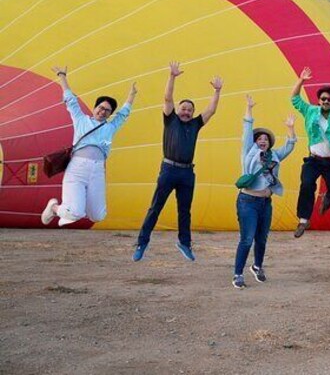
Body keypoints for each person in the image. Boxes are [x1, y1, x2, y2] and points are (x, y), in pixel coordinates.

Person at [133, 62, 222, 262]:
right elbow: (167, 98)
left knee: (185, 210)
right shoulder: (170, 119)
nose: (186, 112)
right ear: (178, 109)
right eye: (183, 108)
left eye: (190, 110)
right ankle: (142, 242)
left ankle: (184, 243)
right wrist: (172, 77)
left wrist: (217, 91)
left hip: (187, 173)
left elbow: (211, 110)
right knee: (155, 207)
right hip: (169, 169)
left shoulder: (196, 124)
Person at [41, 66, 136, 227]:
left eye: (107, 110)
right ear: (95, 108)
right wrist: (62, 76)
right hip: (78, 167)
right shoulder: (81, 120)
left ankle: (73, 207)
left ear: (110, 114)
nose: (103, 111)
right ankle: (55, 207)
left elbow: (123, 114)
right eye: (101, 107)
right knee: (75, 213)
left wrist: (131, 96)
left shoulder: (110, 127)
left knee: (98, 216)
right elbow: (70, 100)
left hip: (97, 170)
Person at [232, 95, 297, 289]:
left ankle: (257, 266)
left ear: (269, 142)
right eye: (259, 138)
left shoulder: (275, 155)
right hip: (248, 201)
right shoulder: (248, 151)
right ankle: (237, 274)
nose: (262, 141)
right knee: (247, 239)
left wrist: (290, 128)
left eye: (265, 139)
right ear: (255, 141)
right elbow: (247, 129)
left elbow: (290, 145)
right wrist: (249, 108)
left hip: (265, 203)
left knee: (262, 238)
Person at [291, 66, 330, 238]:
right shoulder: (310, 111)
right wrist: (301, 80)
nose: (326, 101)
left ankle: (328, 198)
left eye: (329, 99)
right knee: (307, 184)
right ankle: (303, 220)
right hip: (314, 160)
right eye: (323, 99)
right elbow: (295, 99)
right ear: (318, 100)